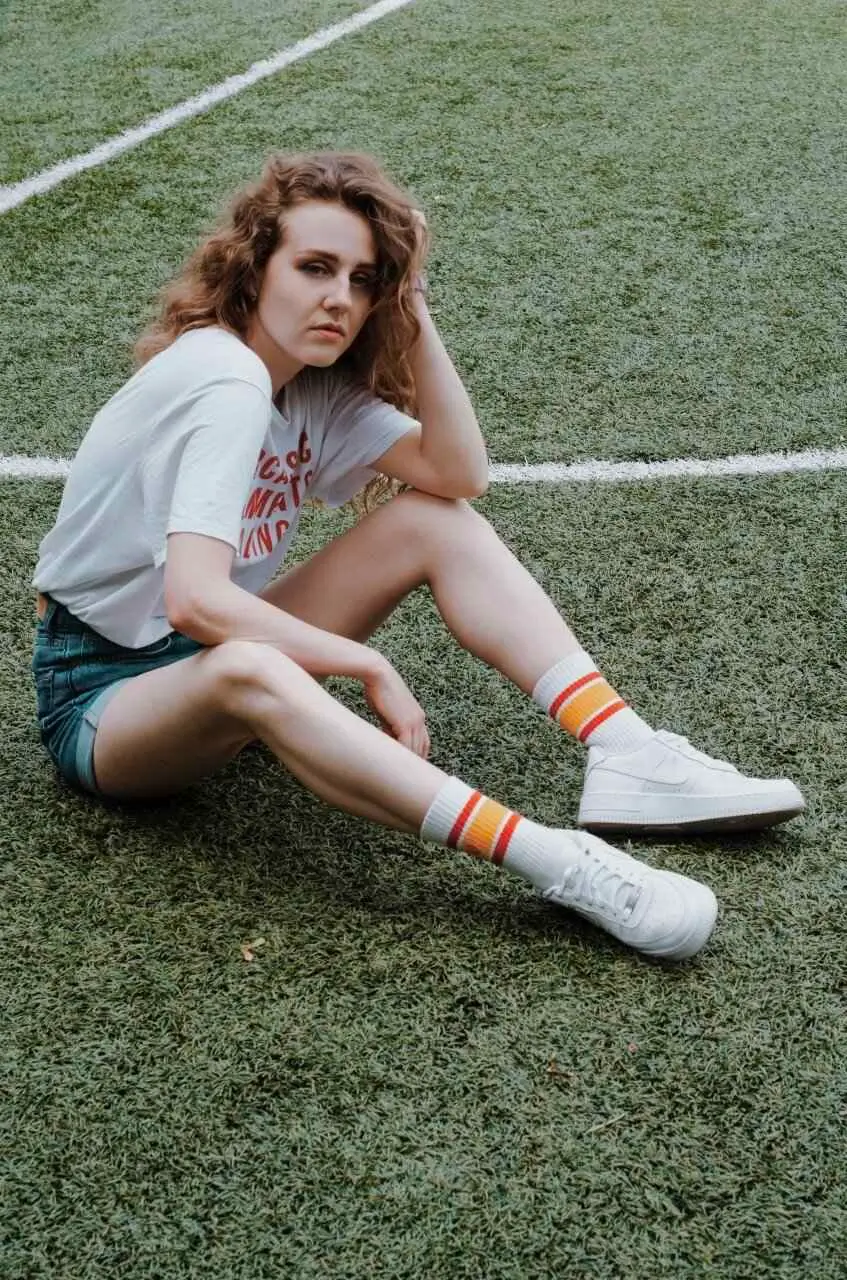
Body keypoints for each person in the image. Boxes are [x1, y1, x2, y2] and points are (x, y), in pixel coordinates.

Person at [30, 151, 804, 963]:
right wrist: (362, 664)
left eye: (364, 280)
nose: (338, 297)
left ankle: (625, 749)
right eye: (315, 267)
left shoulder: (309, 387)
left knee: (437, 520)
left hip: (199, 648)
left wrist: (416, 306)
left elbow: (458, 474)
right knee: (251, 670)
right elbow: (196, 601)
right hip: (101, 696)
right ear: (254, 271)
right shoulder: (224, 376)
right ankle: (557, 862)